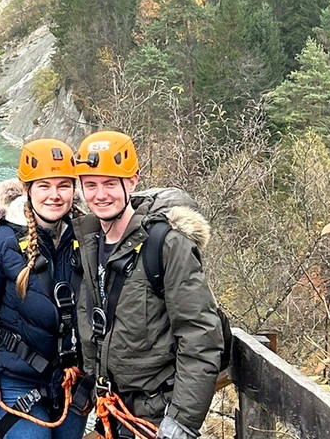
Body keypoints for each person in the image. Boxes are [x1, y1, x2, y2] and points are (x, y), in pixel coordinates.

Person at [73, 130, 223, 439]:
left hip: (156, 412)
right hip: (111, 408)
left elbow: (200, 334)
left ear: (132, 182)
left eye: (110, 184)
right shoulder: (88, 241)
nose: (100, 195)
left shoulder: (166, 244)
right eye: (91, 185)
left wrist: (181, 421)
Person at [0, 138, 88, 439]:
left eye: (63, 186)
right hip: (19, 379)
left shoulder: (86, 236)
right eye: (44, 186)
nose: (54, 196)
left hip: (70, 379)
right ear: (27, 189)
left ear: (73, 189)